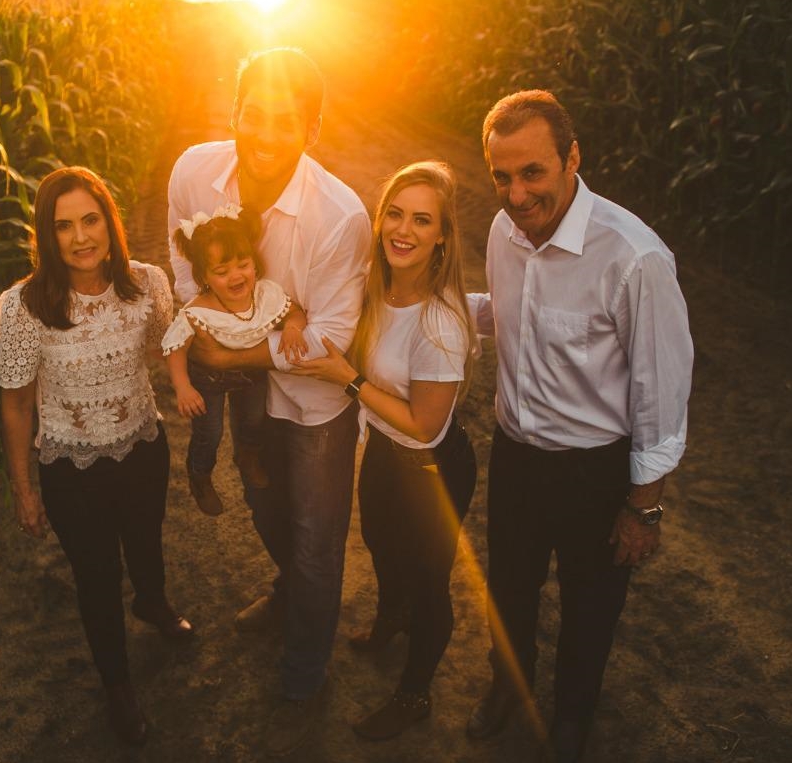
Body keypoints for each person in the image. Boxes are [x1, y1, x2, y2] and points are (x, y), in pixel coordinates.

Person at [464, 91, 694, 763]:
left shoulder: (633, 257)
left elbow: (662, 386)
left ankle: (571, 720)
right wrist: (434, 304)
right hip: (515, 453)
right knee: (508, 585)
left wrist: (643, 506)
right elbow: (507, 314)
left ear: (572, 158)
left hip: (594, 469)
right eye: (501, 175)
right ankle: (509, 686)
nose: (516, 192)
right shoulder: (503, 233)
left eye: (532, 172)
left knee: (589, 607)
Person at [166, 47, 371, 755]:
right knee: (263, 506)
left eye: (287, 121)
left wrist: (228, 352)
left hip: (314, 407)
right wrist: (209, 337)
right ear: (235, 113)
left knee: (317, 538)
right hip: (248, 392)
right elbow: (180, 261)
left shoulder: (340, 217)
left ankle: (304, 670)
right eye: (255, 114)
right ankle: (289, 591)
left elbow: (330, 339)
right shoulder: (194, 172)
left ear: (311, 130)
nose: (266, 133)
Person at [0, 166, 194, 747]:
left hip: (141, 446)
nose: (81, 237)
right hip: (70, 466)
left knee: (147, 540)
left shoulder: (146, 283)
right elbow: (15, 406)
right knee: (97, 576)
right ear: (46, 235)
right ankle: (117, 684)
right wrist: (23, 488)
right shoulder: (24, 307)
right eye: (64, 226)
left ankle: (153, 604)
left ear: (110, 221)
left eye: (91, 219)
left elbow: (170, 346)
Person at [291, 161, 478, 740]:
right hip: (382, 457)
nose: (404, 229)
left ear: (442, 236)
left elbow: (424, 424)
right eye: (394, 214)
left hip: (430, 469)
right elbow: (305, 298)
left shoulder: (440, 323)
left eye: (423, 220)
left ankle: (414, 693)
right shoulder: (373, 286)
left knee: (429, 583)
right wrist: (296, 312)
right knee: (379, 545)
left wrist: (348, 380)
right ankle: (390, 618)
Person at [161, 203, 308, 516]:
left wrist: (293, 328)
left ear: (254, 263)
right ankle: (200, 474)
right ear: (205, 277)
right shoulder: (199, 310)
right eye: (222, 271)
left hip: (249, 372)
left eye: (243, 264)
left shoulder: (266, 295)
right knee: (209, 432)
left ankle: (247, 454)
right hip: (206, 378)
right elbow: (175, 346)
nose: (236, 276)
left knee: (254, 418)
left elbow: (294, 311)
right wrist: (183, 386)